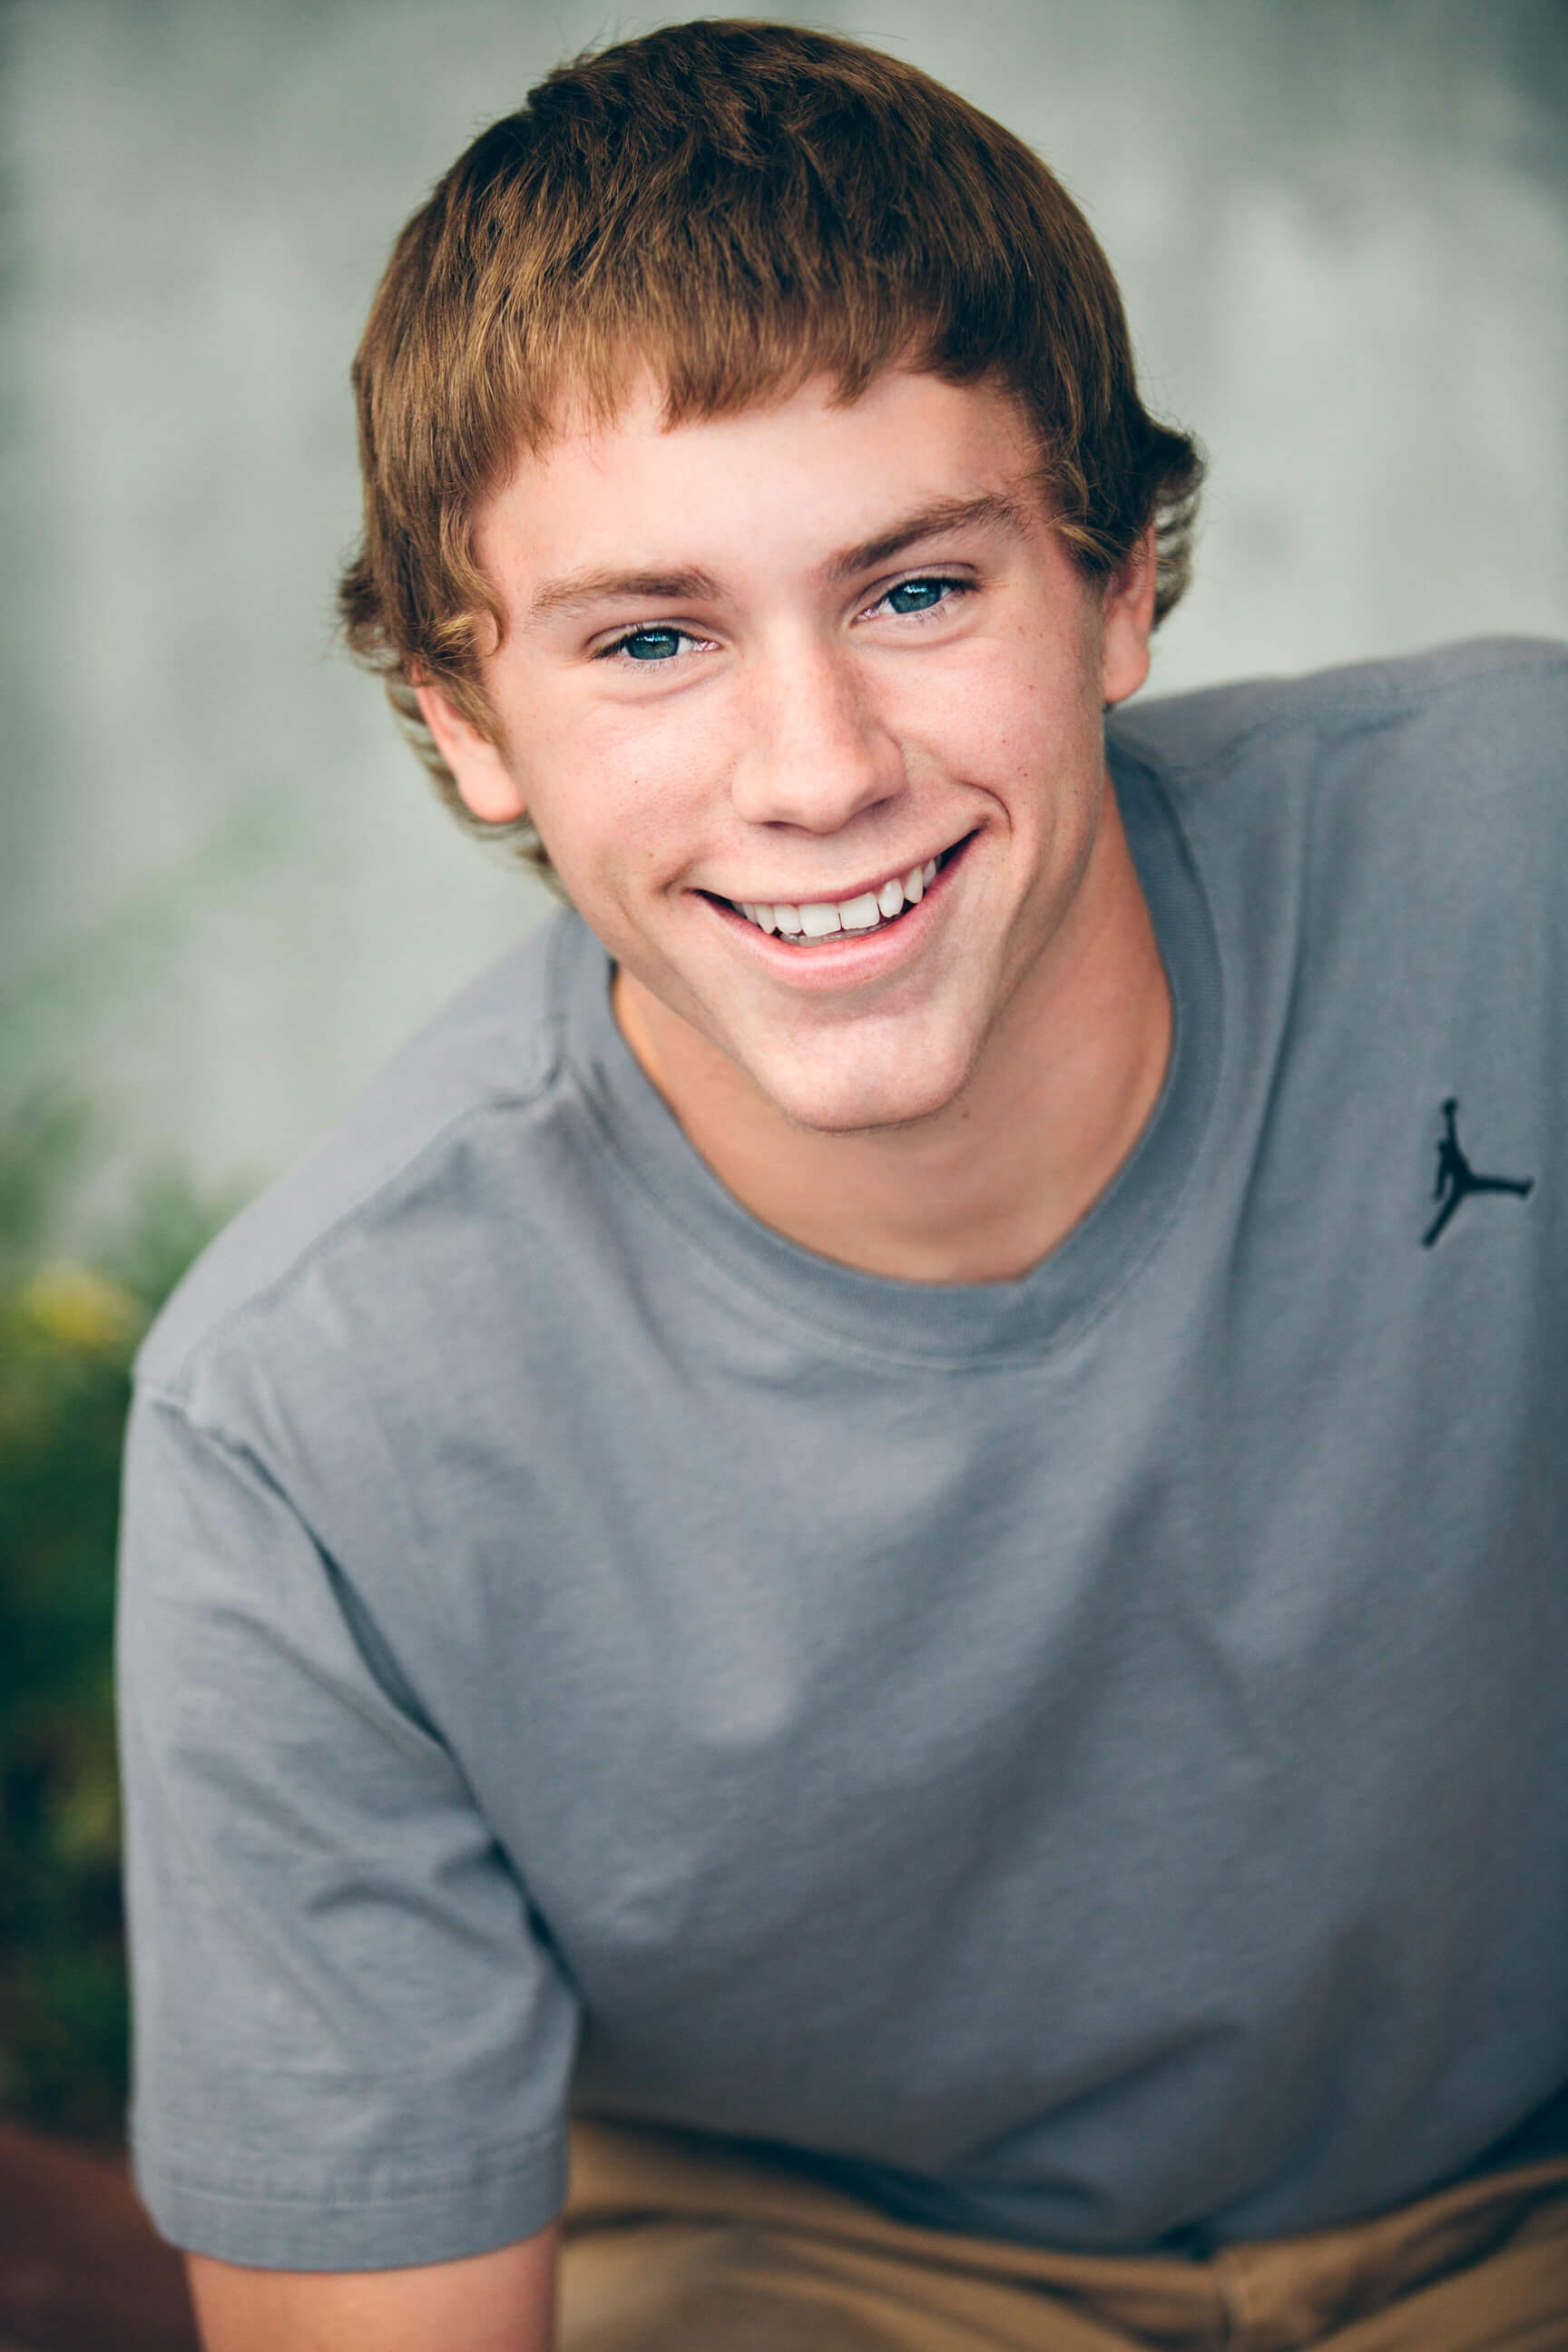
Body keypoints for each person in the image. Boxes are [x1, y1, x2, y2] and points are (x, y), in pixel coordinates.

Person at [115, 20, 1568, 2351]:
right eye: (653, 640)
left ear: (1116, 586)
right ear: (467, 725)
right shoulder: (312, 1421)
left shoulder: (1527, 871)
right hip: (825, 2266)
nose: (816, 772)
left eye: (915, 590)